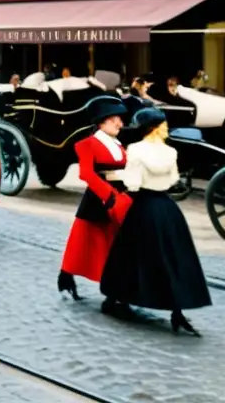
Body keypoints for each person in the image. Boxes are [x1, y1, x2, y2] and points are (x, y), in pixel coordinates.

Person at [100, 108, 211, 335]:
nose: (166, 128)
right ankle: (177, 310)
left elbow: (133, 183)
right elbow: (172, 179)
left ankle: (117, 298)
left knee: (130, 254)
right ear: (154, 128)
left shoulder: (136, 150)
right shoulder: (171, 152)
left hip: (143, 206)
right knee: (172, 257)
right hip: (167, 208)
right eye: (163, 125)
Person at [57, 97, 133, 317]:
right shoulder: (88, 144)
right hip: (100, 199)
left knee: (111, 244)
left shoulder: (118, 144)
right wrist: (109, 196)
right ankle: (73, 277)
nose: (120, 123)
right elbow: (86, 173)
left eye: (119, 119)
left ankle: (116, 287)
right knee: (88, 242)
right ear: (102, 122)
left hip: (120, 196)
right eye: (115, 119)